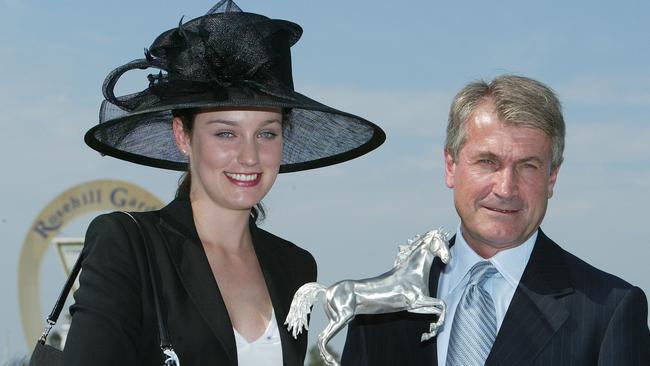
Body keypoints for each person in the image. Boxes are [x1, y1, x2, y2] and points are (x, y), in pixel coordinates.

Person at [61, 1, 385, 366]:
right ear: (183, 135)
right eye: (226, 133)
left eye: (266, 134)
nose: (249, 156)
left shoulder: (295, 267)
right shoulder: (128, 245)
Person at [341, 75, 650, 365]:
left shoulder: (609, 312)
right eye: (488, 162)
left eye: (528, 166)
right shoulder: (377, 309)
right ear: (450, 165)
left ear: (552, 178)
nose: (506, 189)